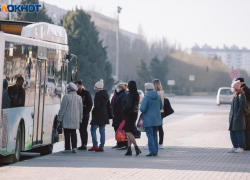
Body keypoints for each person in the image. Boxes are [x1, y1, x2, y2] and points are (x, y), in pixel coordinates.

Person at [58, 82, 83, 153]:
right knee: (73, 133)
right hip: (75, 119)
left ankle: (67, 148)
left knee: (67, 133)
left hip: (66, 118)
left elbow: (63, 108)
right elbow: (81, 109)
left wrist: (59, 118)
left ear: (69, 89)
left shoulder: (66, 97)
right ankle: (74, 147)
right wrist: (80, 119)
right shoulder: (79, 98)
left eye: (68, 88)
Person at [140, 83, 162, 156]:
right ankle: (155, 151)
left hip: (148, 119)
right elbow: (161, 107)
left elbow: (142, 109)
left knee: (150, 135)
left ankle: (152, 151)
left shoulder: (146, 97)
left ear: (146, 89)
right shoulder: (158, 96)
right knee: (155, 134)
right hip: (156, 119)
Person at [89, 79, 110, 152]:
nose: (94, 89)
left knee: (93, 129)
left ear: (97, 88)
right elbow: (108, 105)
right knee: (102, 130)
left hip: (98, 114)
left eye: (95, 87)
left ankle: (95, 145)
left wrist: (93, 112)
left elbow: (96, 106)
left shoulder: (98, 94)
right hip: (104, 113)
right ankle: (101, 146)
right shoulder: (106, 94)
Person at [123, 81, 141, 156]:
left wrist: (123, 110)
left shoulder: (129, 94)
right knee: (129, 131)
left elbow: (128, 105)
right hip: (135, 113)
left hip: (129, 114)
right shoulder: (137, 94)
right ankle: (129, 149)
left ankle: (136, 148)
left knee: (127, 132)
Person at [228, 81, 246, 153]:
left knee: (239, 133)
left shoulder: (241, 95)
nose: (232, 89)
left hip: (238, 118)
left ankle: (241, 147)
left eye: (232, 87)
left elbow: (242, 107)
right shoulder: (235, 95)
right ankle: (235, 146)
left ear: (235, 88)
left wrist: (238, 116)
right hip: (233, 118)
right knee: (232, 132)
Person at [75, 80, 93, 150]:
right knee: (79, 129)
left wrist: (87, 113)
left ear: (81, 85)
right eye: (76, 86)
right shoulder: (75, 93)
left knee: (83, 129)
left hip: (84, 114)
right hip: (77, 113)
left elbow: (90, 103)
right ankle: (79, 144)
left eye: (78, 86)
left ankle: (84, 144)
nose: (77, 87)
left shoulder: (86, 93)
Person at [236, 77, 250, 150]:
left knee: (246, 129)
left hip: (246, 112)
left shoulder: (244, 89)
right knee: (247, 129)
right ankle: (247, 145)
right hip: (248, 112)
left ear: (240, 82)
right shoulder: (246, 88)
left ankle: (247, 146)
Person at [112, 83, 127, 150]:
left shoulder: (123, 95)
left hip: (120, 116)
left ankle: (122, 144)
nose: (117, 89)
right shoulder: (121, 94)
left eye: (118, 88)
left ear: (121, 88)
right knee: (119, 129)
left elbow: (122, 105)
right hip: (118, 115)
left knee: (120, 130)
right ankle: (119, 143)